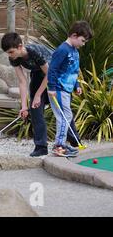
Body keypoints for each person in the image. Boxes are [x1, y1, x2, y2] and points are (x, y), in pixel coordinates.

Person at [1, 33, 81, 157]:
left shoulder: (34, 52)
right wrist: (24, 106)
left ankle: (75, 140)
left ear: (20, 46)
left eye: (11, 52)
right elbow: (22, 81)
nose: (9, 55)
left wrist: (38, 95)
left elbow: (49, 73)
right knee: (35, 110)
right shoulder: (14, 58)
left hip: (55, 76)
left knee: (62, 109)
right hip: (38, 76)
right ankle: (41, 147)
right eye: (8, 53)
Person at [48, 21, 93, 157]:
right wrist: (51, 87)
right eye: (82, 40)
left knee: (66, 116)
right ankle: (59, 146)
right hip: (59, 89)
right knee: (64, 116)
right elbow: (52, 69)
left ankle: (61, 143)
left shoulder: (74, 51)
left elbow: (73, 70)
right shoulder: (62, 50)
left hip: (66, 89)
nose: (83, 44)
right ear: (74, 35)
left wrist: (77, 85)